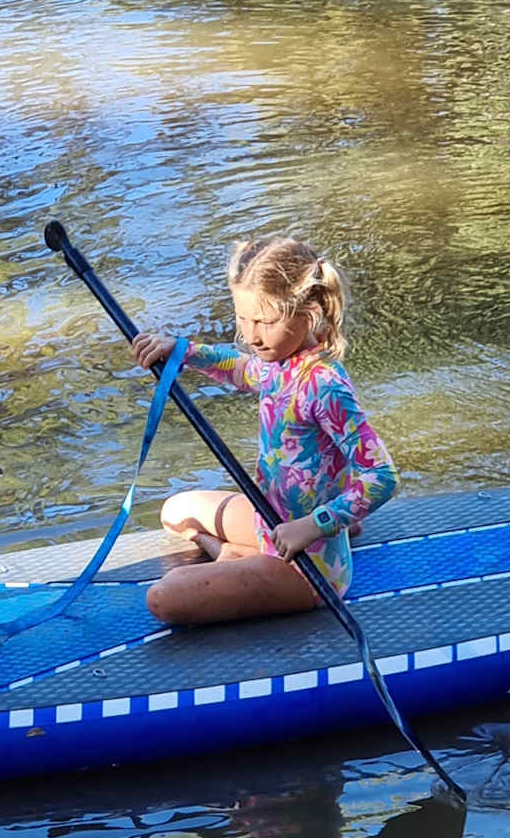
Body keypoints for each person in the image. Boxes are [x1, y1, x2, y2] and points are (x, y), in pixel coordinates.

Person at [132, 234, 398, 625]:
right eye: (242, 318)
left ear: (307, 315)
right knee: (175, 512)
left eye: (264, 321)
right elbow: (240, 368)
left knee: (163, 598)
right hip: (269, 522)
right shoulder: (276, 363)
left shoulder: (325, 386)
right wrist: (182, 351)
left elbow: (382, 477)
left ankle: (264, 552)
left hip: (308, 565)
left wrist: (312, 526)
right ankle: (234, 555)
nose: (250, 335)